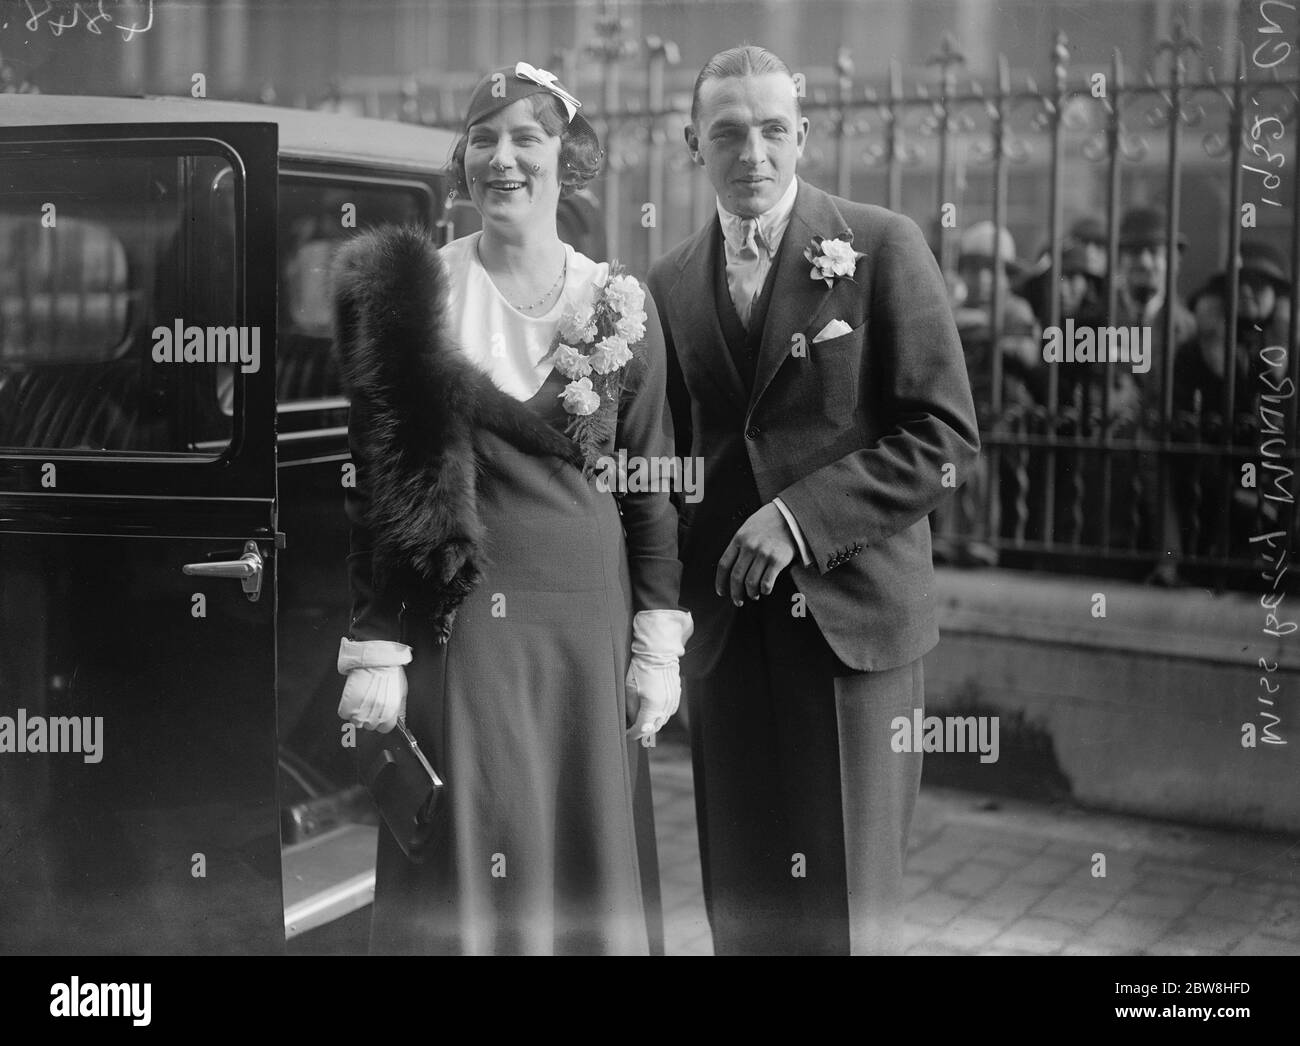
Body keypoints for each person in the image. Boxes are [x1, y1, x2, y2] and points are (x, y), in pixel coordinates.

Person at [331, 62, 693, 955]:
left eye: (527, 138)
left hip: (586, 636)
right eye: (484, 139)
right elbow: (379, 484)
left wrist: (656, 643)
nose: (504, 159)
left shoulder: (621, 304)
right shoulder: (414, 297)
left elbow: (651, 486)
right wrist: (379, 644)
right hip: (468, 632)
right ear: (463, 162)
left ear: (566, 159)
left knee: (582, 857)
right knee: (474, 848)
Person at [647, 45, 979, 955]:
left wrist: (801, 517)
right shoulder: (667, 281)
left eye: (772, 130)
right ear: (691, 143)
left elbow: (945, 439)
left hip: (853, 628)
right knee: (744, 901)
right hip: (728, 629)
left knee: (846, 906)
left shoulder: (882, 246)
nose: (751, 152)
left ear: (805, 135)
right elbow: (671, 460)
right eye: (726, 133)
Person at [935, 221, 1040, 565]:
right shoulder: (955, 307)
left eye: (991, 271)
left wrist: (992, 333)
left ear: (1008, 276)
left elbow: (1028, 352)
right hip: (964, 407)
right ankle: (949, 536)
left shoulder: (1015, 309)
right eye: (974, 270)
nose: (982, 280)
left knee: (984, 473)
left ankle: (982, 539)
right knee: (951, 464)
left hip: (1002, 409)